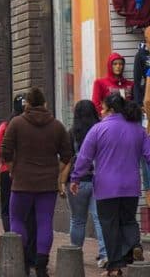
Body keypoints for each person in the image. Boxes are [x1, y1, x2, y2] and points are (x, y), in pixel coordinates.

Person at [71, 92, 150, 276]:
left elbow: (84, 157)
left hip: (106, 188)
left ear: (111, 109)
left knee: (109, 224)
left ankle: (114, 266)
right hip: (131, 186)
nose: (102, 111)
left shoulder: (98, 129)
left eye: (104, 108)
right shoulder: (137, 129)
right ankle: (134, 245)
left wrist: (75, 178)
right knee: (129, 220)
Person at [1, 88, 73, 277]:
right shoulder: (56, 126)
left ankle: (23, 262)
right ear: (44, 104)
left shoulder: (16, 123)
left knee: (17, 219)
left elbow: (5, 150)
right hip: (47, 184)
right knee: (44, 222)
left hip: (22, 181)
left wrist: (11, 169)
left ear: (28, 104)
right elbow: (67, 154)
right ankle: (41, 266)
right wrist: (55, 170)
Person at [66, 100, 108, 267]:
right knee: (99, 218)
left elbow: (66, 158)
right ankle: (105, 255)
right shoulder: (101, 130)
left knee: (77, 220)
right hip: (98, 180)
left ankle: (75, 253)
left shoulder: (72, 133)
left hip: (77, 180)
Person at [0, 94, 26, 231]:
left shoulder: (6, 126)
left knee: (7, 208)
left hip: (7, 172)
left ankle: (10, 239)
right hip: (27, 172)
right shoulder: (33, 126)